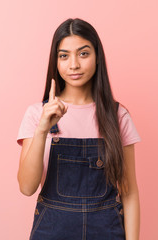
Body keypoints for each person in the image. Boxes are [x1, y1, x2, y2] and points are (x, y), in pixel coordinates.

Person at [16, 18, 141, 240]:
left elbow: (129, 192)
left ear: (97, 57)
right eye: (64, 56)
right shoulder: (37, 114)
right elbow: (27, 187)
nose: (74, 64)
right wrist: (43, 128)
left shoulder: (117, 116)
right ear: (55, 61)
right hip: (52, 232)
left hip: (107, 232)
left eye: (83, 53)